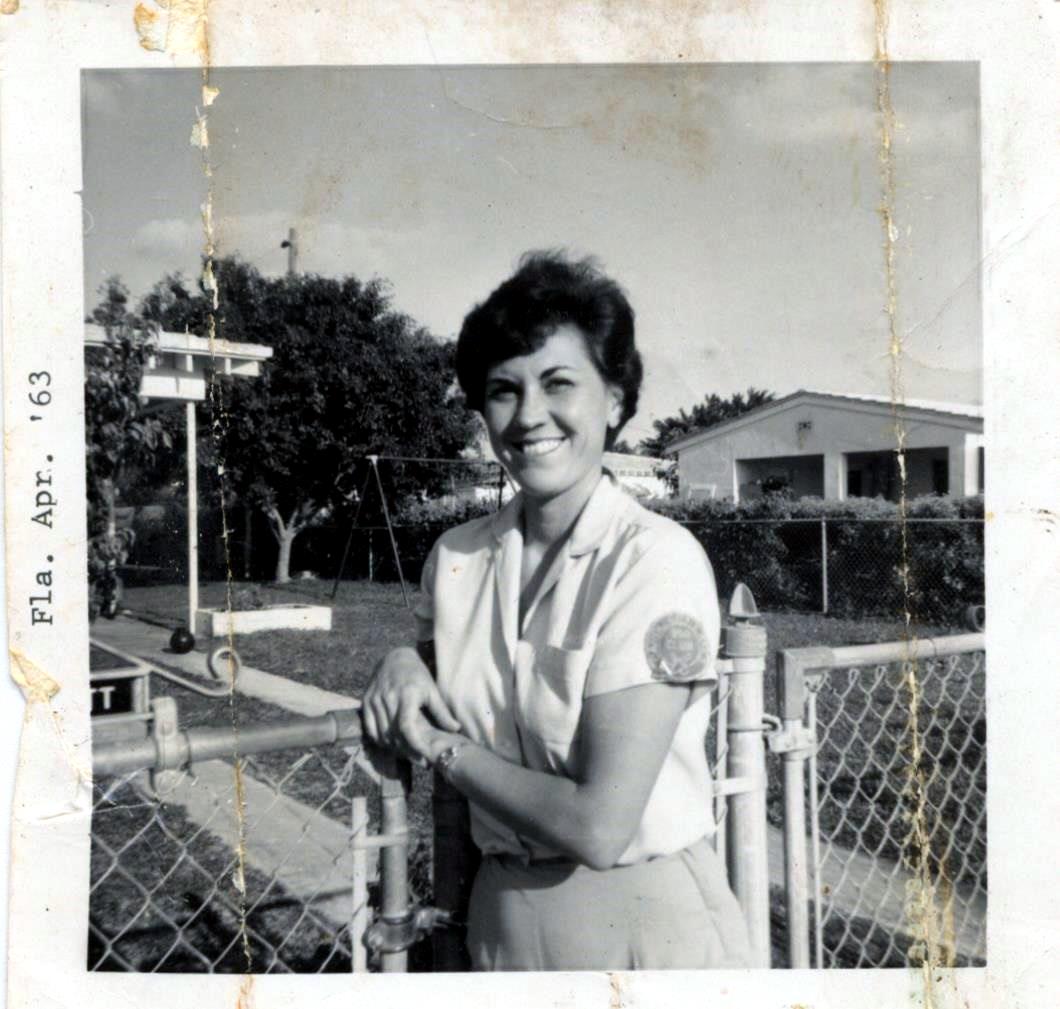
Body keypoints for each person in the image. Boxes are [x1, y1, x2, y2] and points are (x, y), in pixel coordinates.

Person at [362, 251, 752, 971]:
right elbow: (448, 673)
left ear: (615, 400)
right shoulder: (456, 557)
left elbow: (599, 825)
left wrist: (441, 748)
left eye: (558, 383)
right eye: (503, 390)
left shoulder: (653, 560)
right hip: (499, 919)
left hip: (644, 927)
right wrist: (403, 661)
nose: (528, 415)